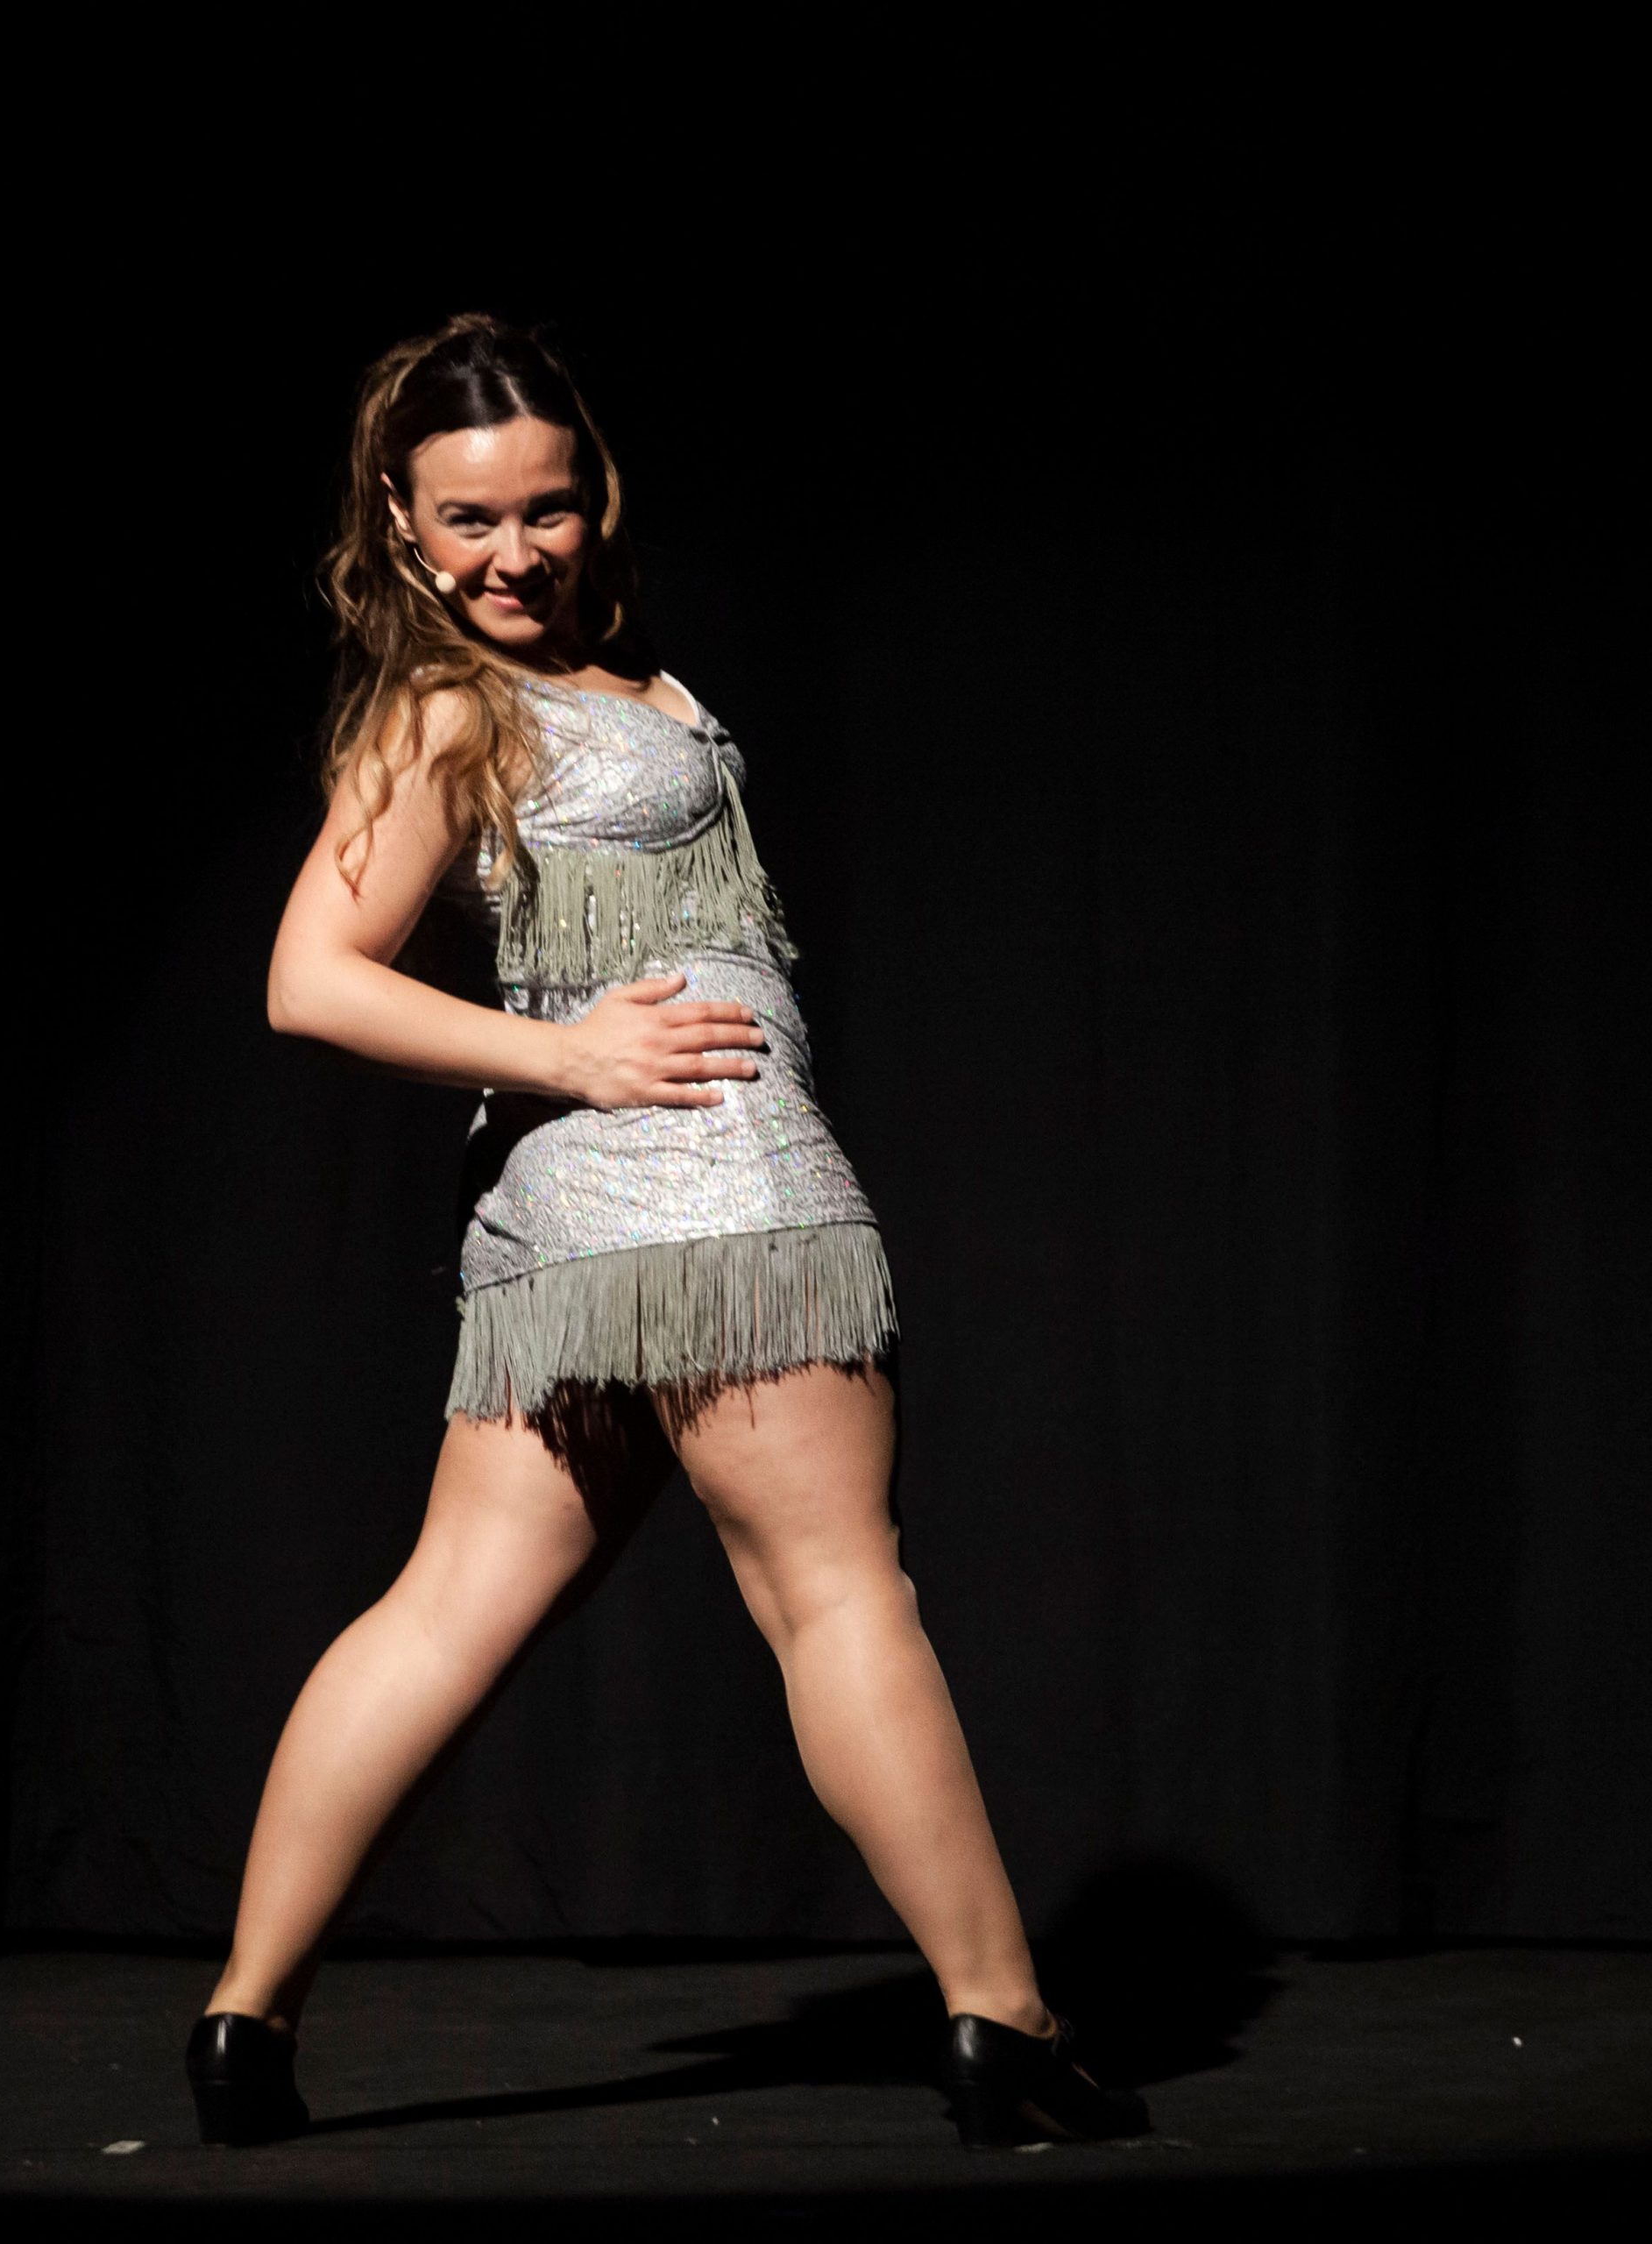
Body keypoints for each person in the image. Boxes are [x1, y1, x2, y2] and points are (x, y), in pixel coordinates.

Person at [184, 314, 1149, 2153]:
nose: (513, 554)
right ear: (397, 523)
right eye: (468, 520)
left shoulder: (583, 682)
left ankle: (245, 2021)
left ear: (595, 497)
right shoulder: (449, 704)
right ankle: (1001, 2016)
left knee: (441, 1613)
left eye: (543, 509)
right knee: (837, 1592)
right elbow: (309, 979)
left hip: (565, 1234)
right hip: (715, 1188)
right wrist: (567, 1052)